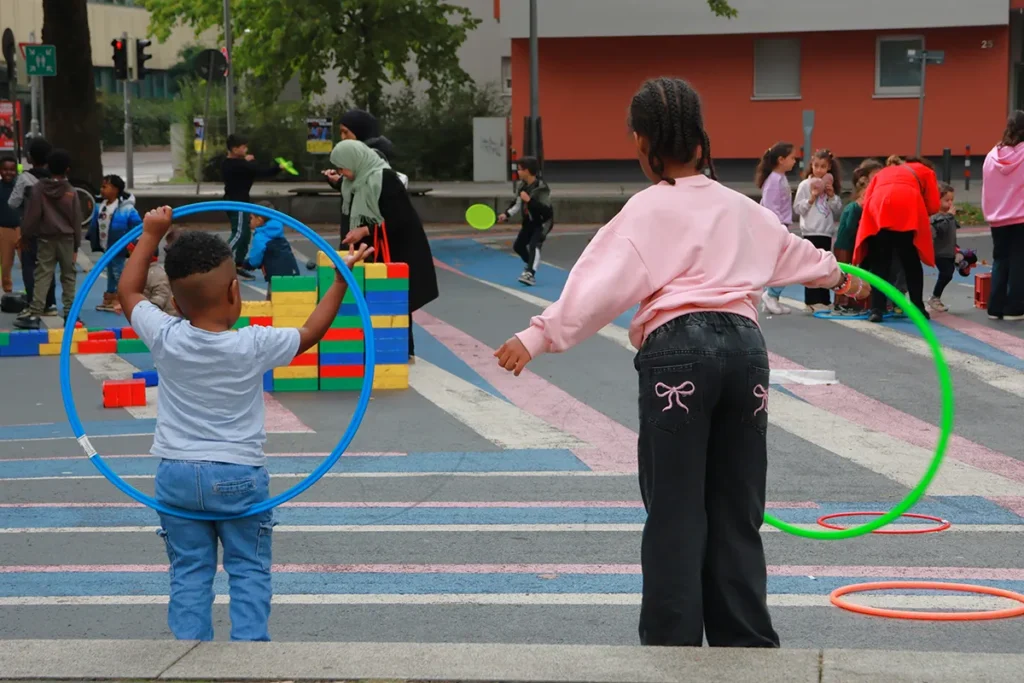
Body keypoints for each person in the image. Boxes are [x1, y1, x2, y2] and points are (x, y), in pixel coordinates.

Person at [493, 77, 869, 648]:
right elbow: (798, 255)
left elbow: (597, 287)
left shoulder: (644, 211)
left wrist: (536, 336)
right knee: (737, 507)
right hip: (745, 355)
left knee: (676, 510)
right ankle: (745, 645)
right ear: (700, 141)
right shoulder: (740, 208)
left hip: (678, 356)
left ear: (642, 145)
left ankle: (673, 650)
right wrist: (844, 280)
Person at [117, 207, 372, 641]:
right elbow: (310, 332)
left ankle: (188, 651)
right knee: (248, 567)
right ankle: (249, 651)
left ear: (175, 303)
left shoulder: (163, 334)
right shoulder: (254, 343)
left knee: (189, 570)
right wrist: (339, 282)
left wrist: (151, 234)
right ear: (236, 291)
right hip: (238, 473)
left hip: (176, 474)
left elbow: (128, 290)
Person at [334, 139, 439, 361]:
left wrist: (365, 230)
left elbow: (402, 219)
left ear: (355, 161)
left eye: (343, 167)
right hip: (369, 250)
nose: (341, 173)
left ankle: (402, 351)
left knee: (394, 300)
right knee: (366, 301)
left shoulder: (385, 179)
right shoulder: (353, 182)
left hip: (395, 250)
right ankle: (370, 350)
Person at [854, 154, 940, 323]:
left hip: (879, 209)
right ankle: (918, 308)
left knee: (880, 263)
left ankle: (876, 309)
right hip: (906, 207)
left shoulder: (885, 171)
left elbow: (866, 201)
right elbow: (933, 205)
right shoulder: (927, 172)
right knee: (911, 262)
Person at [14, 149, 82, 330]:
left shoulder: (39, 189)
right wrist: (76, 245)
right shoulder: (71, 191)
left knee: (43, 274)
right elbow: (76, 220)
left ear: (47, 167)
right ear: (67, 169)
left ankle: (35, 313)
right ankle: (70, 314)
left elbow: (32, 215)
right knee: (68, 276)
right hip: (67, 239)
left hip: (45, 238)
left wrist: (25, 235)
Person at [322, 110, 406, 248]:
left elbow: (393, 214)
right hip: (357, 238)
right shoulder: (359, 155)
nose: (343, 138)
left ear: (359, 131)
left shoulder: (372, 160)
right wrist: (339, 181)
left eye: (346, 132)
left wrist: (366, 230)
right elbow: (357, 186)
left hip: (369, 244)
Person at [222, 134, 285, 280]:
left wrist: (246, 161)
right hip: (236, 203)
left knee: (245, 234)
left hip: (242, 202)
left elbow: (247, 169)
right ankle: (220, 257)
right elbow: (260, 171)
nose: (246, 149)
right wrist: (278, 168)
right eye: (243, 147)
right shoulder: (237, 165)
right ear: (234, 149)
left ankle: (238, 264)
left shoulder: (233, 163)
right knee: (239, 233)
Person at [982, 110, 1024, 321]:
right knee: (1019, 261)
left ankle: (995, 306)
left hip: (997, 218)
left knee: (1000, 259)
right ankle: (1014, 308)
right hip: (1021, 216)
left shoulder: (992, 155)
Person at [8, 138, 57, 316]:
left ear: (30, 157)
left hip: (31, 229)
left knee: (29, 266)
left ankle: (33, 303)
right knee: (48, 266)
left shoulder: (25, 178)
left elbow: (13, 202)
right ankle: (50, 303)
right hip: (52, 229)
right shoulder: (55, 178)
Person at [793, 149, 843, 313]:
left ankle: (824, 299)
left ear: (829, 167)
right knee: (812, 267)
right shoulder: (805, 185)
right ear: (811, 166)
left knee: (825, 267)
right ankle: (811, 301)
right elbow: (798, 208)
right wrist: (811, 198)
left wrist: (831, 195)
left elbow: (837, 209)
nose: (819, 170)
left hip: (826, 233)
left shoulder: (830, 184)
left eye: (823, 166)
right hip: (811, 232)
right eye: (816, 166)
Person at [834, 159, 883, 313]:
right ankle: (841, 301)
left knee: (851, 273)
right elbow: (849, 228)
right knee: (844, 274)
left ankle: (850, 300)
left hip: (849, 245)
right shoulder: (855, 208)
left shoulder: (858, 207)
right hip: (845, 245)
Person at [88, 174, 142, 312]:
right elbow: (96, 223)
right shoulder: (101, 205)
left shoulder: (126, 208)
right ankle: (110, 297)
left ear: (115, 189)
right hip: (107, 246)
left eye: (105, 187)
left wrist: (132, 242)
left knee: (119, 273)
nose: (102, 190)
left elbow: (138, 226)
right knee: (111, 273)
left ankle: (121, 299)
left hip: (119, 247)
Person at [497, 156, 553, 286]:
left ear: (527, 171)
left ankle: (530, 274)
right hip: (530, 221)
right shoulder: (522, 186)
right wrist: (506, 214)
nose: (518, 172)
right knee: (518, 246)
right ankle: (531, 264)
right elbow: (517, 203)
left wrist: (529, 200)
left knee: (535, 244)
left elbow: (546, 211)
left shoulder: (541, 188)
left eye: (520, 169)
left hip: (543, 221)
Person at [755, 142, 797, 314]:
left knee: (782, 263)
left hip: (780, 226)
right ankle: (771, 294)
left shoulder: (779, 178)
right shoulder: (774, 180)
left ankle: (772, 297)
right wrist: (779, 228)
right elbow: (771, 207)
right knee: (787, 262)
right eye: (792, 158)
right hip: (776, 227)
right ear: (781, 159)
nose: (795, 161)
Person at [241, 200, 300, 298]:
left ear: (259, 220)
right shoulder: (277, 231)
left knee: (273, 299)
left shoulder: (260, 236)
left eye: (251, 218)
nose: (249, 221)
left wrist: (246, 264)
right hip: (292, 271)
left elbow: (255, 260)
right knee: (290, 299)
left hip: (275, 276)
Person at [929, 183, 960, 313]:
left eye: (952, 200)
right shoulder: (935, 216)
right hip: (939, 252)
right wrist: (949, 217)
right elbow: (941, 229)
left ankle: (936, 297)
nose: (950, 203)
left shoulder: (948, 216)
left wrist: (956, 249)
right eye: (947, 200)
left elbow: (951, 234)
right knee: (946, 273)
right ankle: (935, 298)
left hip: (949, 250)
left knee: (949, 273)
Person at [125, 240, 176, 316]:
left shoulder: (155, 274)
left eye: (132, 256)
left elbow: (161, 295)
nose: (129, 259)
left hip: (163, 315)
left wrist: (149, 311)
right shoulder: (142, 271)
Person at [0, 155, 20, 294]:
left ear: (16, 171)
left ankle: (32, 292)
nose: (8, 173)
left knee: (29, 263)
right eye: (5, 169)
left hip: (22, 229)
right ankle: (8, 292)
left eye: (12, 169)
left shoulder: (20, 187)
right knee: (6, 264)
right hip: (4, 230)